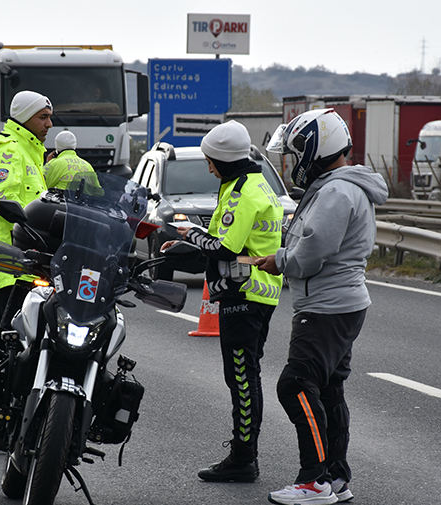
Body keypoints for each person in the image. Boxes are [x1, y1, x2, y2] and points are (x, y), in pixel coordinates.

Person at [256, 109, 388, 505]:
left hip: (327, 305)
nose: (294, 162)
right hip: (339, 302)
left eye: (297, 154)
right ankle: (336, 477)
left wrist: (280, 260)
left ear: (316, 149)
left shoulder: (335, 192)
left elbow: (312, 252)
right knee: (328, 389)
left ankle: (313, 479)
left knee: (294, 385)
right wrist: (284, 255)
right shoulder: (339, 186)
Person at [161, 120, 284, 482]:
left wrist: (190, 232)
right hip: (254, 293)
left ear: (226, 161)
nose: (209, 167)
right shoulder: (252, 182)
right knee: (246, 377)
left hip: (243, 295)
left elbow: (224, 247)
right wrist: (191, 248)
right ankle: (244, 454)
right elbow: (232, 246)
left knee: (243, 380)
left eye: (211, 160)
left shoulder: (242, 191)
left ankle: (244, 458)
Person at [0, 90, 52, 355]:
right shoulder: (9, 152)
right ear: (26, 118)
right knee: (3, 348)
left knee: (35, 346)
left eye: (49, 118)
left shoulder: (32, 153)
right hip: (10, 263)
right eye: (43, 117)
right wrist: (26, 225)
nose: (49, 124)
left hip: (34, 264)